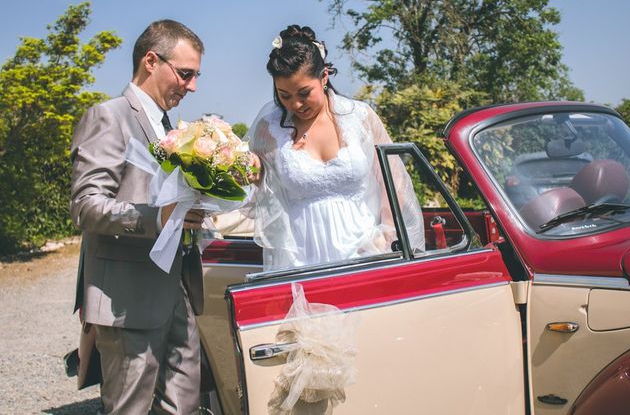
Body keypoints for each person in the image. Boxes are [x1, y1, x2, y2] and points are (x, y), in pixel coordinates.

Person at [70, 20, 206, 414]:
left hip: (176, 292)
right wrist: (157, 219)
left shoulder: (172, 130)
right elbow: (86, 204)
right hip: (126, 298)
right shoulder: (109, 116)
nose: (192, 85)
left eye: (196, 75)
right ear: (151, 61)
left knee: (184, 406)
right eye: (186, 73)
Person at [246, 25, 424, 271]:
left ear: (324, 77)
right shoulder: (270, 128)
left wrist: (386, 236)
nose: (295, 104)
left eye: (304, 93)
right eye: (284, 95)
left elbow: (393, 181)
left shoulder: (360, 117)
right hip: (300, 257)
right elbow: (257, 191)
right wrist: (255, 176)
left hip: (365, 250)